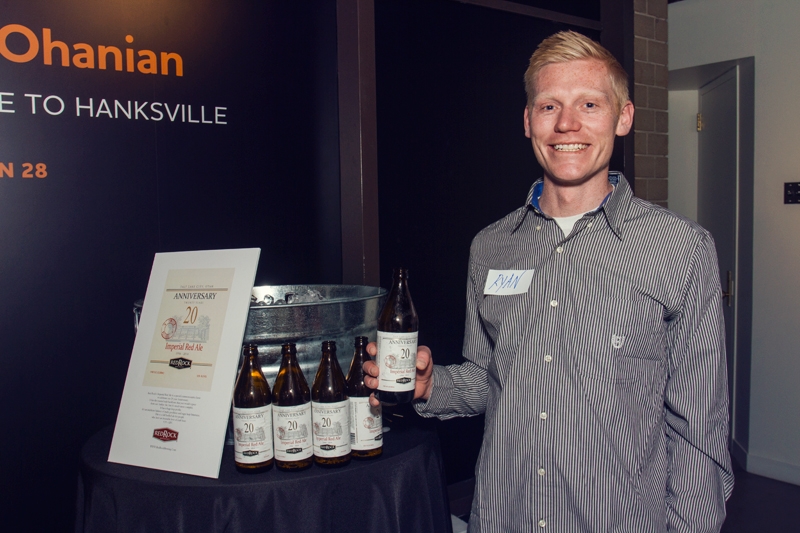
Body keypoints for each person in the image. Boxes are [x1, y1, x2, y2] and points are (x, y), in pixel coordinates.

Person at [364, 30, 734, 532]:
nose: (566, 124)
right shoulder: (490, 246)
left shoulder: (682, 249)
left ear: (623, 117)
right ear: (528, 121)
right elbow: (489, 377)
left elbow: (699, 430)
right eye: (549, 106)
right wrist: (433, 385)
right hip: (503, 516)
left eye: (589, 104)